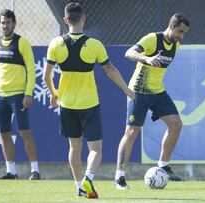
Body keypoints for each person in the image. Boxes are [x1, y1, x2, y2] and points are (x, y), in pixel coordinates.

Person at [43, 3, 134, 199]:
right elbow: (110, 70)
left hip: (66, 104)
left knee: (74, 148)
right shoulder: (94, 45)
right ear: (83, 18)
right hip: (89, 104)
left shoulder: (55, 44)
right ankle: (88, 178)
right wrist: (127, 90)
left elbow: (46, 75)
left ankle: (79, 186)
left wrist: (53, 93)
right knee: (95, 150)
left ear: (65, 20)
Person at [114, 13, 190, 190]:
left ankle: (163, 165)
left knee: (176, 124)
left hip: (157, 91)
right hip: (138, 91)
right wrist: (146, 58)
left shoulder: (176, 46)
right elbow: (129, 53)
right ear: (171, 25)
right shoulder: (152, 39)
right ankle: (119, 177)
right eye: (180, 31)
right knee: (132, 132)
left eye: (184, 33)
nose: (181, 36)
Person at [0, 9, 40, 180]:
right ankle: (11, 171)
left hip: (18, 95)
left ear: (14, 23)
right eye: (2, 22)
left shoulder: (22, 43)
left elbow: (31, 70)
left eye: (8, 22)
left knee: (25, 132)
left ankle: (35, 171)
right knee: (4, 134)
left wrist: (28, 93)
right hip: (0, 95)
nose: (5, 25)